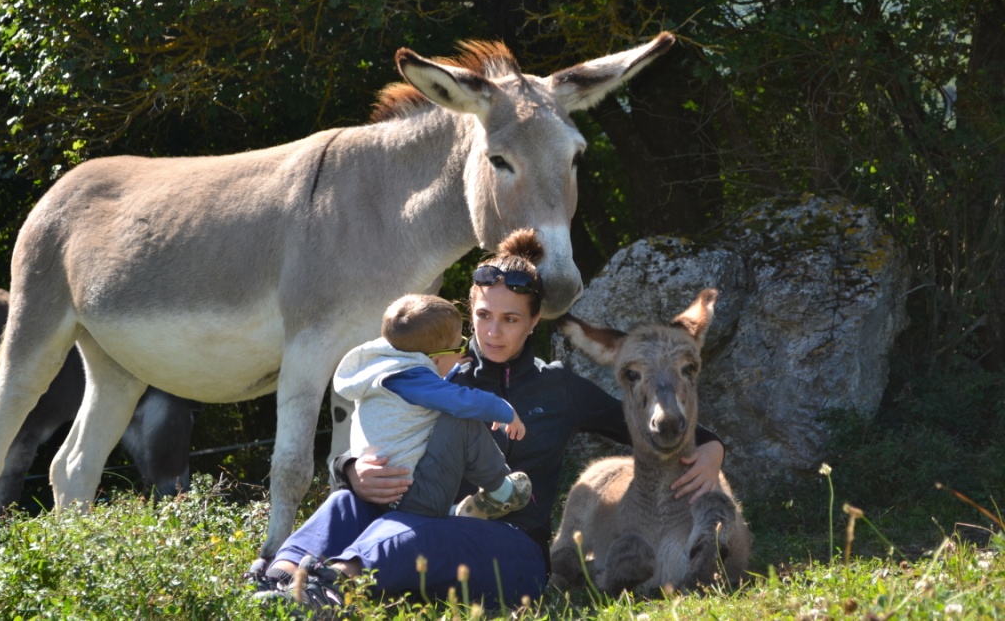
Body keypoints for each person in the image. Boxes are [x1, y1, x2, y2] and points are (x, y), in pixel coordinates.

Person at [249, 228, 726, 613]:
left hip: (512, 552)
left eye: (511, 319)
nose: (493, 331)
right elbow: (372, 430)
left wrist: (712, 449)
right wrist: (350, 470)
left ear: (534, 320)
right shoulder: (436, 373)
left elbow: (657, 427)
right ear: (469, 312)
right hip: (425, 524)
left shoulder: (559, 388)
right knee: (344, 508)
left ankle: (330, 586)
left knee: (410, 535)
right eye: (483, 315)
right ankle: (278, 574)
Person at [336, 292, 531, 521]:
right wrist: (503, 409)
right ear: (436, 359)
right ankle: (503, 493)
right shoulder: (411, 379)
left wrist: (446, 369)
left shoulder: (384, 370)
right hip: (413, 500)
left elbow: (426, 396)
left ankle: (445, 510)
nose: (463, 352)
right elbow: (460, 402)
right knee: (460, 419)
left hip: (379, 502)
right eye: (460, 345)